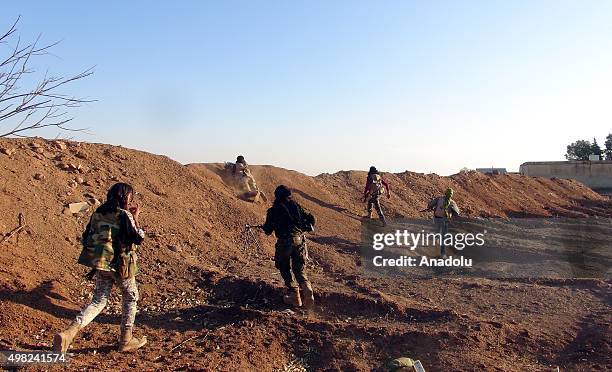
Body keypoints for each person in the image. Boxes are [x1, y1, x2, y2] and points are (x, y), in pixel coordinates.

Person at [53, 183, 147, 354]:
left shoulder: (99, 212)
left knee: (98, 301)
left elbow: (87, 235)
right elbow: (138, 238)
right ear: (125, 197)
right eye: (130, 197)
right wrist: (136, 217)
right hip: (121, 266)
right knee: (131, 297)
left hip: (101, 263)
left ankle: (69, 332)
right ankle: (126, 339)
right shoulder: (124, 215)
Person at [262, 185, 316, 308]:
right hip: (299, 241)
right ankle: (307, 288)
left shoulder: (273, 211)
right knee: (299, 269)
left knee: (284, 267)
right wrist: (306, 227)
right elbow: (312, 218)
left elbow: (268, 230)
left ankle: (295, 296)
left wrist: (266, 226)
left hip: (284, 243)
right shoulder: (296, 207)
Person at [426, 187, 460, 258]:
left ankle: (439, 247)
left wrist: (431, 207)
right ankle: (442, 253)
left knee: (440, 235)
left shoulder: (440, 199)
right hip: (443, 220)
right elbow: (457, 213)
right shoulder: (451, 202)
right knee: (443, 237)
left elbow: (430, 205)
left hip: (439, 220)